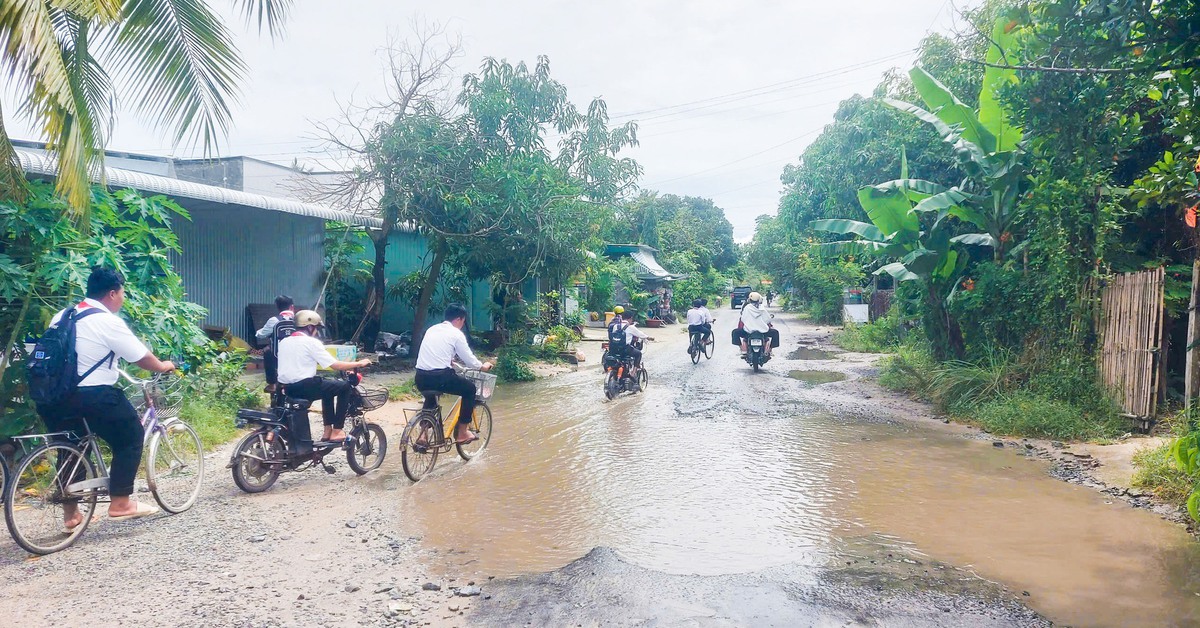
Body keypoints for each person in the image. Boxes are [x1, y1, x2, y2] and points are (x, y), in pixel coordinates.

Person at [37, 267, 177, 524]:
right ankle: (121, 503)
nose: (123, 298)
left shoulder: (63, 315)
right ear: (112, 293)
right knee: (130, 436)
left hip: (53, 396)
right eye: (122, 293)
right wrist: (162, 365)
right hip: (94, 395)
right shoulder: (107, 321)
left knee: (71, 449)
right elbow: (141, 357)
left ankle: (71, 515)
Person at [276, 310, 370, 444]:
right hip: (305, 388)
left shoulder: (284, 342)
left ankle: (327, 430)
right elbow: (334, 365)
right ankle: (337, 430)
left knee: (328, 387)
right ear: (310, 327)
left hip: (288, 388)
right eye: (316, 329)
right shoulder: (310, 342)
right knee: (344, 387)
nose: (316, 332)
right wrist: (359, 363)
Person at [414, 304, 494, 445]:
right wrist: (482, 366)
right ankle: (462, 433)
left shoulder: (432, 329)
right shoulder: (456, 334)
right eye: (463, 321)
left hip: (420, 377)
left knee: (430, 397)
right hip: (440, 378)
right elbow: (469, 359)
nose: (462, 325)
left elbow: (436, 352)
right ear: (459, 319)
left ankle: (423, 435)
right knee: (469, 389)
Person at [255, 295, 295, 394]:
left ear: (277, 307)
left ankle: (272, 384)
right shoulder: (298, 319)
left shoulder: (274, 320)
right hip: (296, 355)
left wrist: (259, 331)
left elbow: (260, 335)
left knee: (267, 351)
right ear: (292, 307)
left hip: (278, 357)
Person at [733, 292, 780, 356]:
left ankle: (742, 349)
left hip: (748, 331)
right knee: (775, 333)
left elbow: (743, 319)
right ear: (759, 300)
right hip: (762, 331)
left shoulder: (747, 308)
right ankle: (770, 350)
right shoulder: (762, 308)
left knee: (735, 332)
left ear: (749, 299)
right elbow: (768, 319)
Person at [616, 309, 653, 376]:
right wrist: (648, 337)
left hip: (614, 349)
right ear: (630, 318)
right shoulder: (630, 327)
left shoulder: (616, 326)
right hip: (625, 349)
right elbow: (641, 334)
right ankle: (633, 372)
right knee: (638, 354)